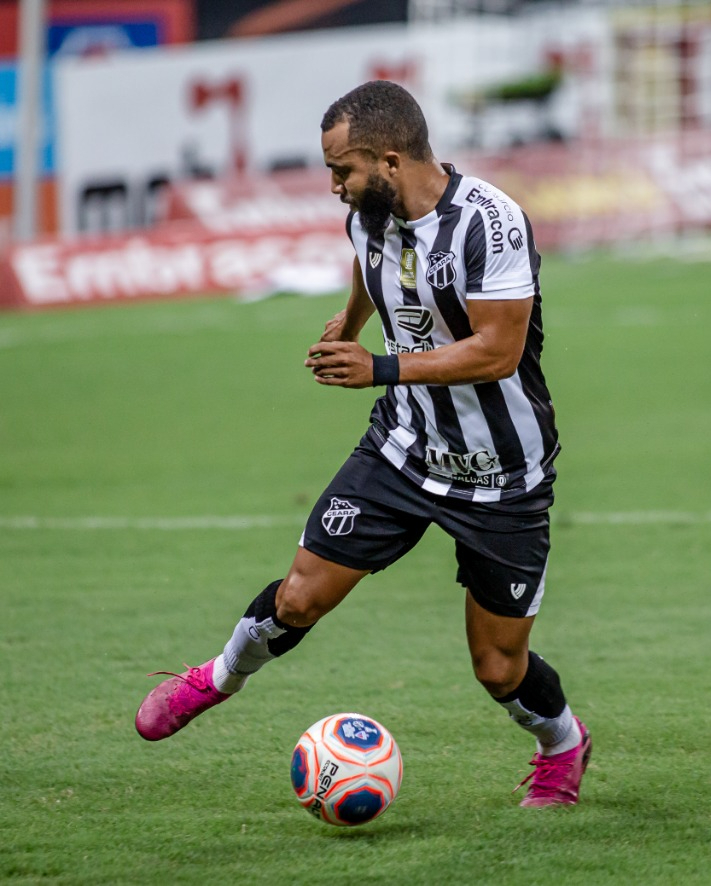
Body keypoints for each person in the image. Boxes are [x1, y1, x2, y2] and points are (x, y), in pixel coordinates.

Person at [136, 80, 591, 807]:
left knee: (498, 669)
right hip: (403, 449)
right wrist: (349, 321)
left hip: (501, 473)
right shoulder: (368, 213)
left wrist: (378, 366)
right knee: (298, 596)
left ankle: (562, 743)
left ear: (388, 159)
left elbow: (498, 352)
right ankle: (216, 677)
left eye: (341, 172)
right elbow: (364, 257)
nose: (334, 188)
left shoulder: (491, 223)